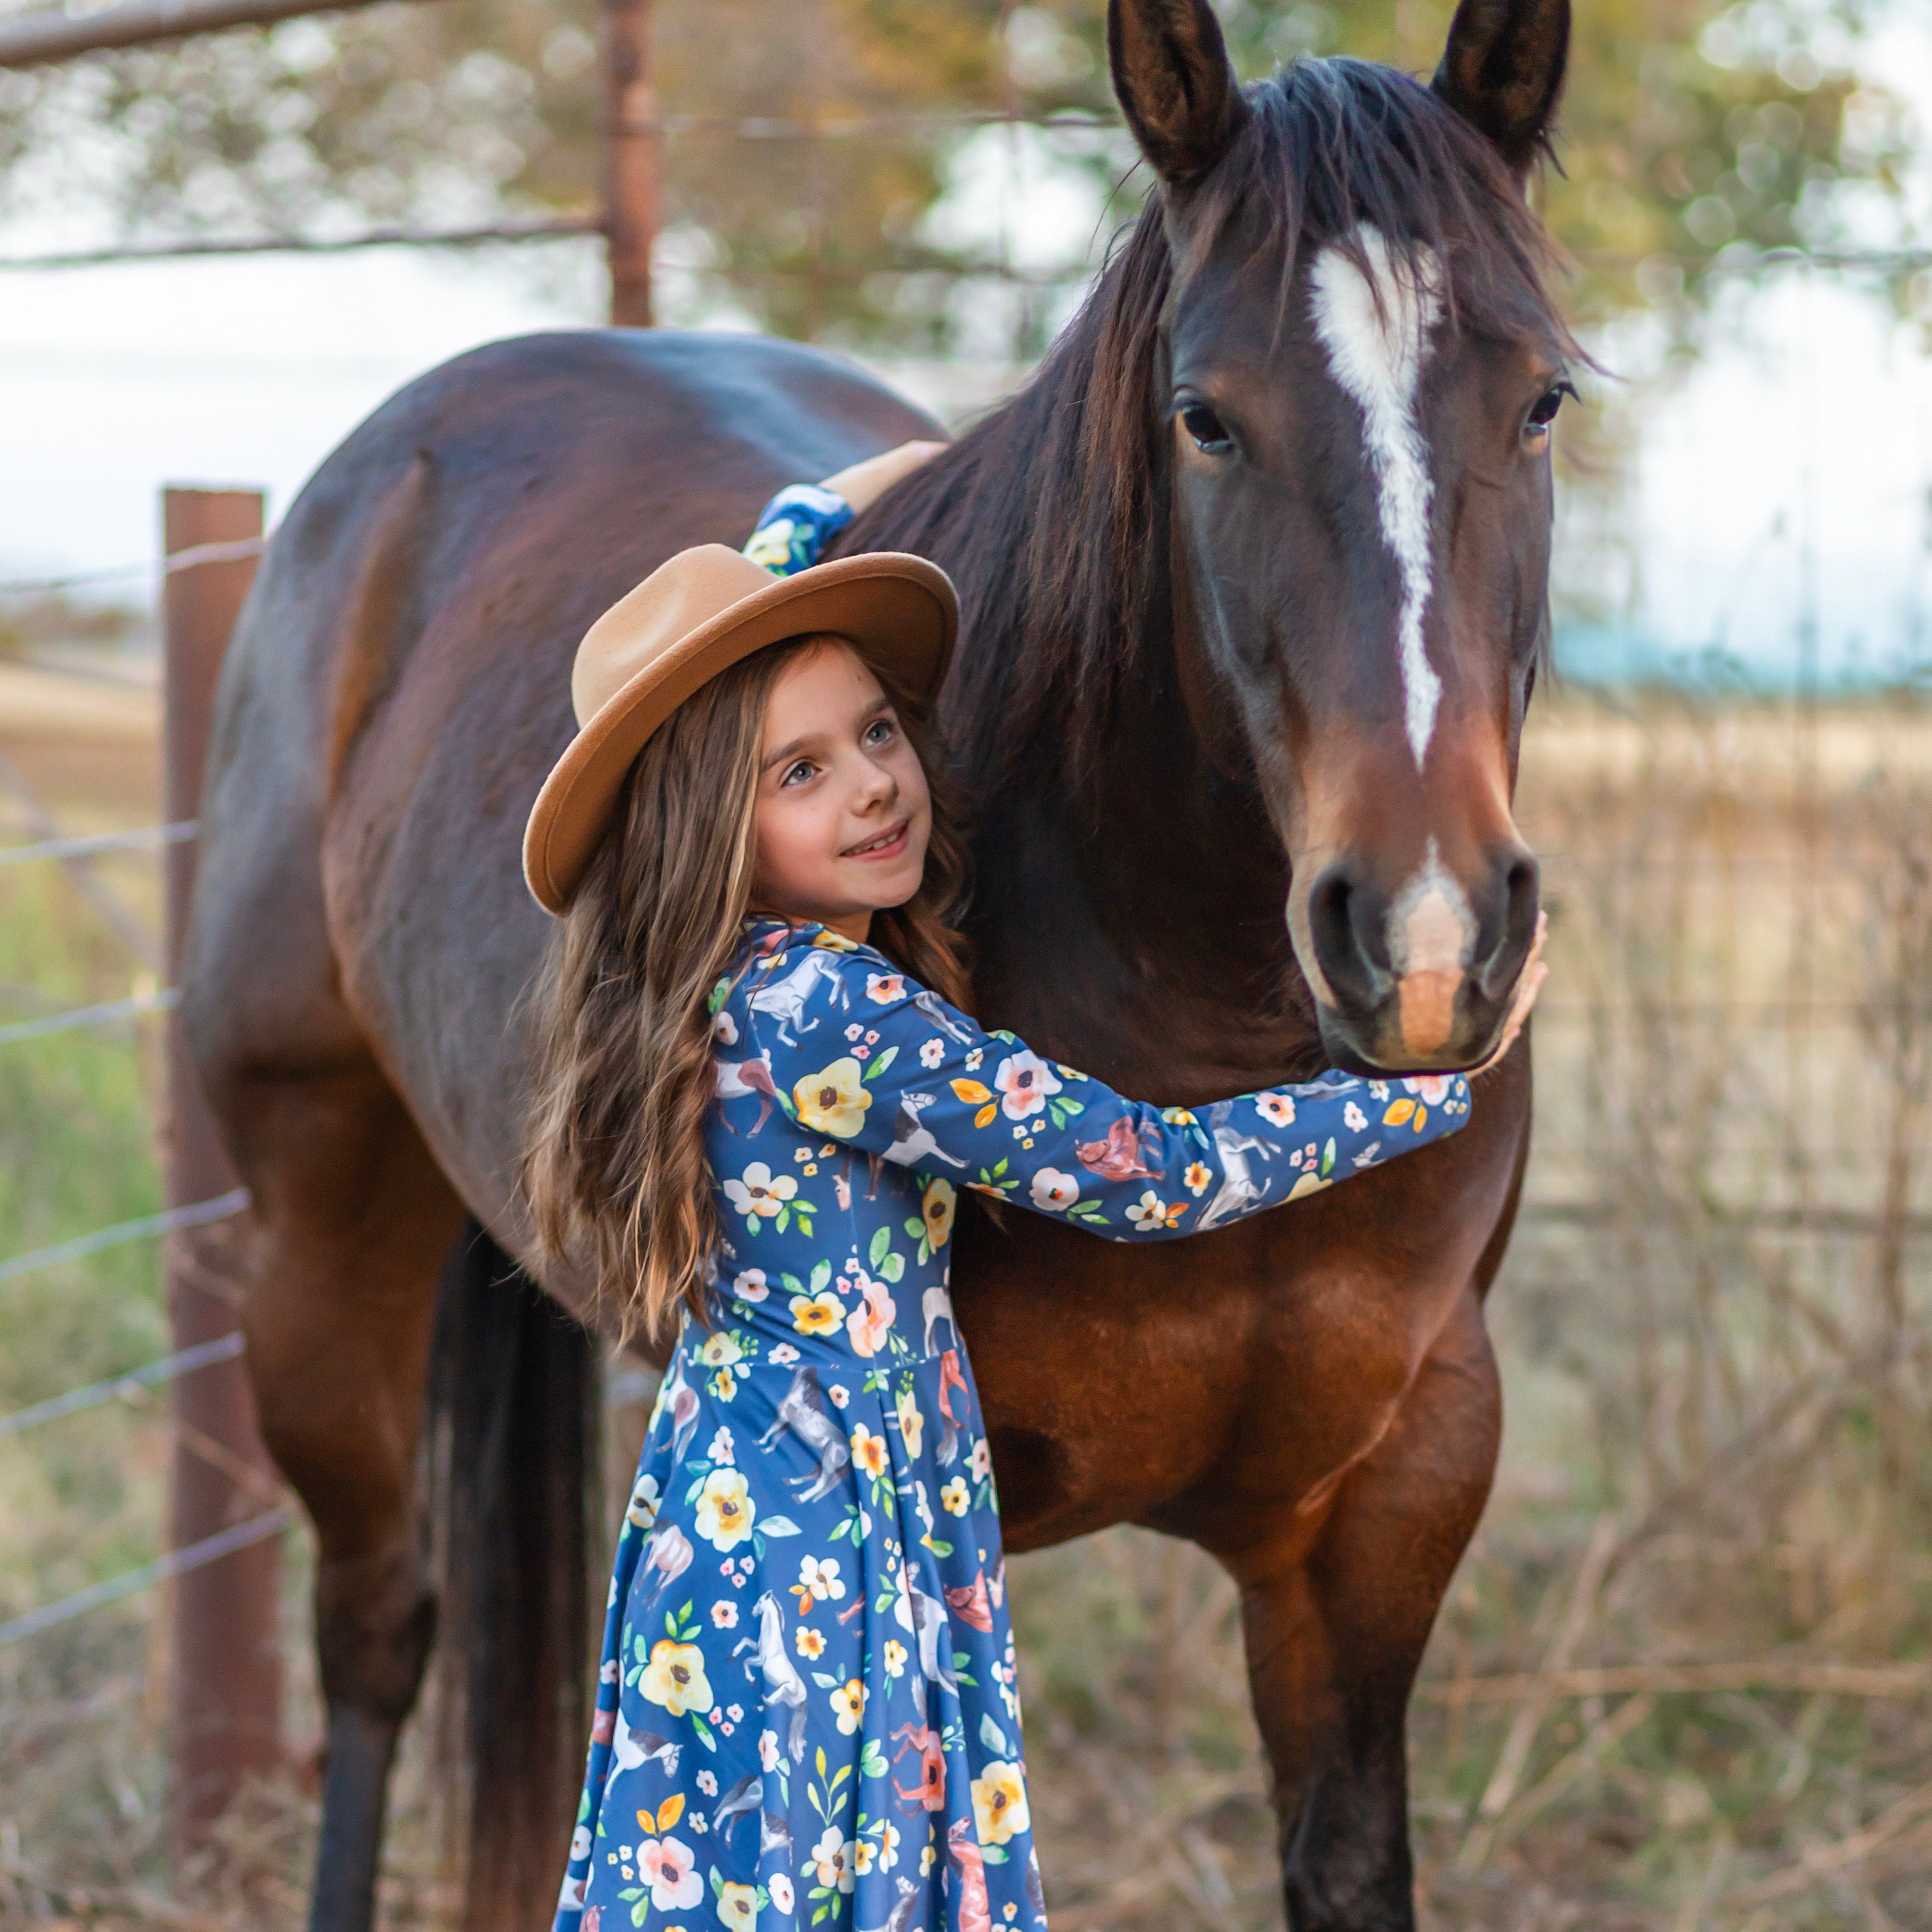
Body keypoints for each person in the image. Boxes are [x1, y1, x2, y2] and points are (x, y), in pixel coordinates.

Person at [521, 444, 1545, 1932]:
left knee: (764, 1860)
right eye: (802, 774)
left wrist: (859, 494)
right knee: (824, 1862)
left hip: (748, 1489)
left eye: (878, 731)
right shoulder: (838, 1018)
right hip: (825, 1519)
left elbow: (772, 595)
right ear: (703, 830)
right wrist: (1427, 1089)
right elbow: (1146, 1174)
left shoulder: (736, 983)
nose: (875, 786)